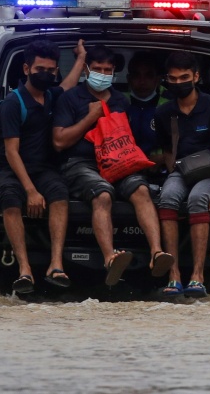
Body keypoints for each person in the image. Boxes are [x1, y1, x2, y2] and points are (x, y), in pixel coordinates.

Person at [52, 45, 173, 286]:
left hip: (117, 162)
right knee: (103, 194)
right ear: (86, 70)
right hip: (81, 164)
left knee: (141, 190)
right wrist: (90, 118)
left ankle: (157, 253)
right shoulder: (70, 98)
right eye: (97, 69)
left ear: (115, 72)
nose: (103, 74)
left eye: (108, 70)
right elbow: (59, 142)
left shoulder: (120, 100)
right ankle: (110, 258)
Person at [0, 41, 74, 295]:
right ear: (26, 69)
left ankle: (56, 264)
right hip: (11, 168)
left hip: (43, 168)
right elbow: (11, 152)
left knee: (60, 195)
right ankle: (24, 269)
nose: (45, 74)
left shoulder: (51, 95)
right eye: (40, 68)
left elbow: (68, 84)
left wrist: (80, 58)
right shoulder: (12, 104)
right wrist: (31, 191)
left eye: (51, 70)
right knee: (10, 200)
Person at [154, 51, 210, 298]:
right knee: (167, 197)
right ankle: (174, 275)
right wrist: (173, 173)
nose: (179, 83)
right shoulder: (164, 112)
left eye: (185, 77)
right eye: (174, 78)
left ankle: (198, 276)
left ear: (196, 76)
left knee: (197, 199)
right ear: (167, 79)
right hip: (181, 171)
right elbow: (167, 150)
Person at [125, 51, 165, 166]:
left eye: (149, 75)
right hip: (124, 167)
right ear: (129, 78)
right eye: (136, 75)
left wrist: (164, 158)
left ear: (158, 80)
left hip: (162, 169)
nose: (142, 82)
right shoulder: (117, 103)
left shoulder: (170, 104)